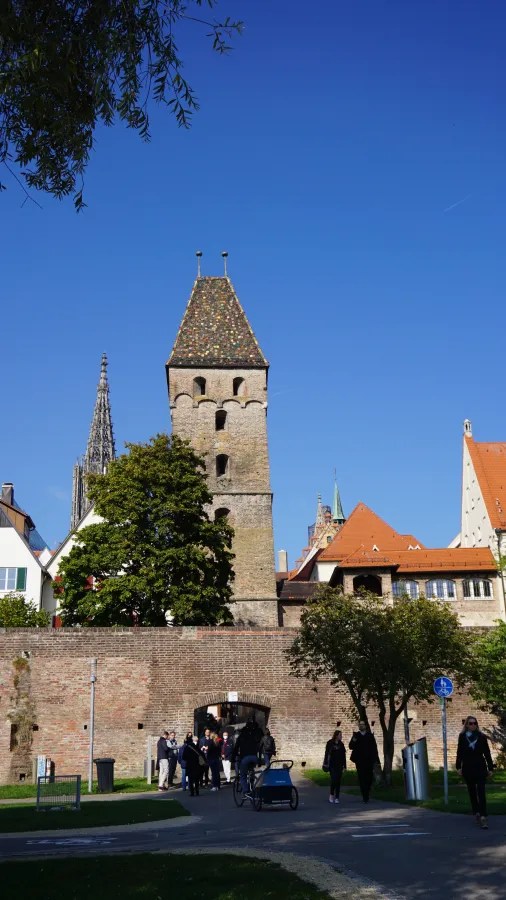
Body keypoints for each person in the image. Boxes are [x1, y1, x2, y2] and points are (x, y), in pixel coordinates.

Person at [456, 715, 495, 829]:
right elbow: (460, 752)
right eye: (470, 723)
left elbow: (487, 753)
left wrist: (490, 768)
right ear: (467, 725)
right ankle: (476, 811)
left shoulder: (481, 736)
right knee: (472, 791)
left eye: (475, 723)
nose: (473, 725)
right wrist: (458, 767)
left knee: (481, 792)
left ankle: (483, 816)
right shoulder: (462, 736)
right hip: (468, 767)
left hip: (480, 767)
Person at [349, 720, 380, 803]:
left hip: (369, 760)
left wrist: (376, 759)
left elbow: (374, 748)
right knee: (361, 778)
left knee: (369, 778)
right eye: (360, 724)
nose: (361, 726)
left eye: (363, 724)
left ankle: (367, 791)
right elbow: (350, 746)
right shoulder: (356, 735)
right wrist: (353, 740)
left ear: (365, 726)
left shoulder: (370, 735)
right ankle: (365, 796)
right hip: (359, 761)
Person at [232, 718, 263, 798]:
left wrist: (232, 758)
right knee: (251, 770)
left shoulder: (241, 737)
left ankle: (246, 791)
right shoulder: (253, 736)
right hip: (254, 757)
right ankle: (253, 783)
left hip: (245, 758)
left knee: (243, 775)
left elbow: (236, 748)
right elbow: (259, 746)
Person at [323, 730, 346, 804]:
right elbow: (327, 753)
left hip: (339, 765)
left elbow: (343, 756)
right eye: (340, 735)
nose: (341, 736)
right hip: (332, 764)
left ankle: (337, 797)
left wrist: (344, 766)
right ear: (336, 736)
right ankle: (331, 794)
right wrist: (326, 763)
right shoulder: (330, 743)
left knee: (338, 781)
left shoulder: (341, 744)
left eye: (341, 735)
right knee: (334, 780)